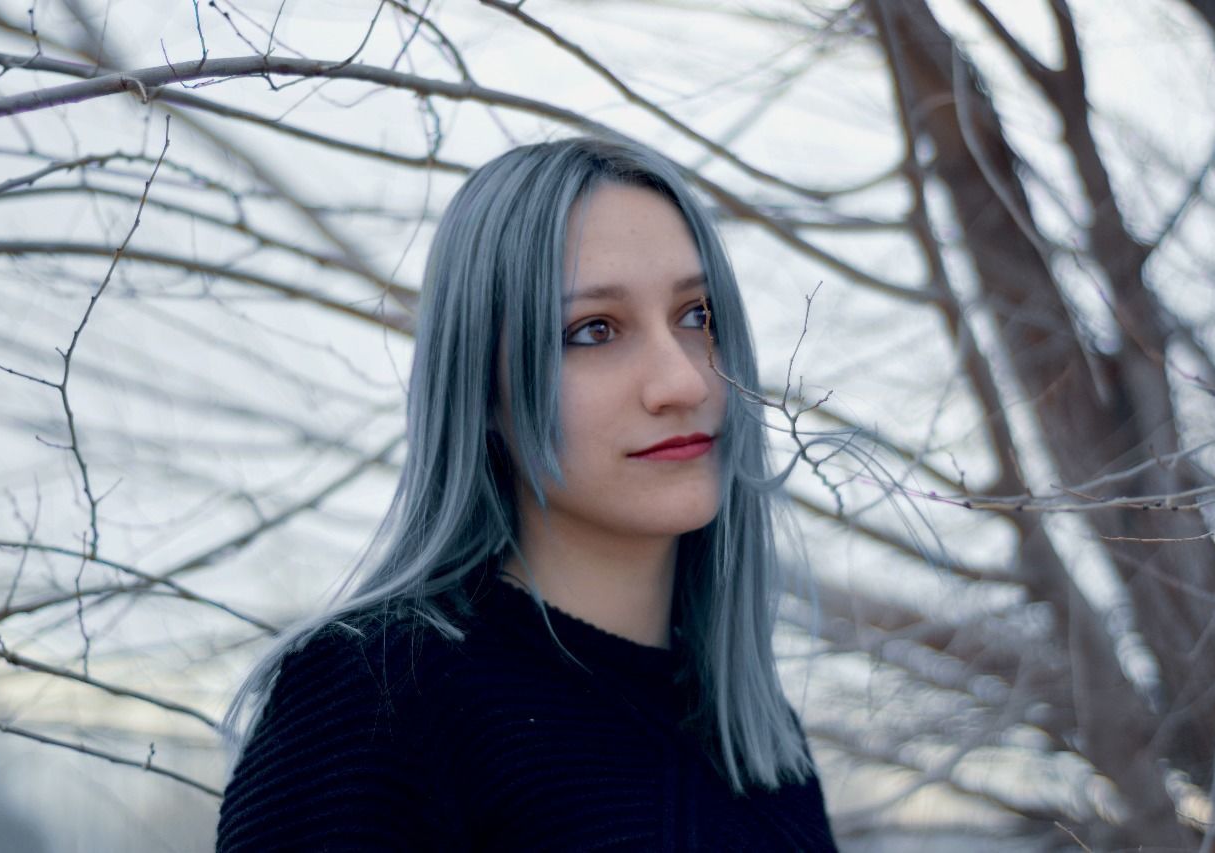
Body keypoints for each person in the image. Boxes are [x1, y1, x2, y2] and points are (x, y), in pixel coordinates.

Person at [215, 136, 837, 851]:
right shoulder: (377, 699)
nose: (685, 383)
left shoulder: (761, 742)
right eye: (594, 330)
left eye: (696, 316)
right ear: (481, 385)